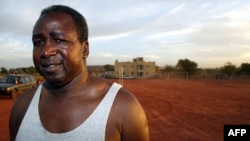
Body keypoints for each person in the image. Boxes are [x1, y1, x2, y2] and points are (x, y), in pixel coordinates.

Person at [9, 5, 149, 141]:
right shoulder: (23, 105)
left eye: (58, 40)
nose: (46, 51)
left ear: (85, 49)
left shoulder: (123, 108)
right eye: (38, 42)